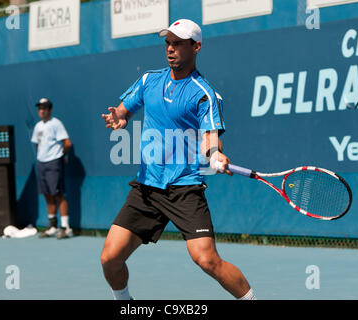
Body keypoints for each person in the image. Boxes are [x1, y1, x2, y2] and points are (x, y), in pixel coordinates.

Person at [100, 19, 256, 300]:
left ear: (196, 47)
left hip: (184, 189)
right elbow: (124, 110)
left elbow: (210, 139)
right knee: (110, 258)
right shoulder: (149, 80)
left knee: (207, 260)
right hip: (147, 188)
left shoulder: (204, 93)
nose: (170, 49)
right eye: (168, 43)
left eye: (178, 43)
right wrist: (118, 118)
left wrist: (215, 155)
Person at [31, 98, 73, 239]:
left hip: (54, 162)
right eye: (40, 108)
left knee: (58, 194)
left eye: (44, 108)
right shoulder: (38, 126)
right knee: (47, 194)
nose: (41, 110)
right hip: (41, 163)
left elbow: (67, 143)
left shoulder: (56, 124)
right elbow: (38, 144)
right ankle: (53, 226)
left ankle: (66, 228)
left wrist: (61, 155)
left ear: (50, 109)